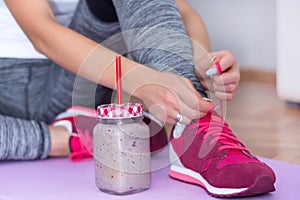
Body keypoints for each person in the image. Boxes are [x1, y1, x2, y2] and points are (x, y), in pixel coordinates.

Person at [0, 0, 275, 197]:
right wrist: (139, 79)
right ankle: (71, 137)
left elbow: (181, 9)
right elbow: (40, 32)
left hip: (70, 78)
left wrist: (197, 64)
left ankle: (195, 126)